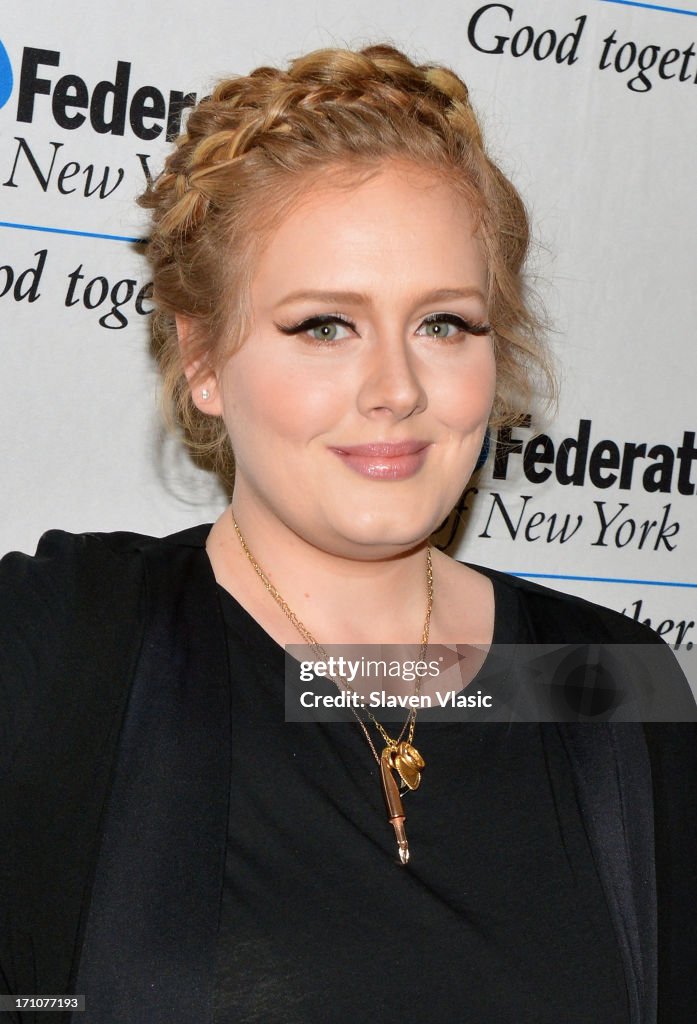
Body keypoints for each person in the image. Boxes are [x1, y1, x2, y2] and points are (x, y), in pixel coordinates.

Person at [1, 44, 695, 1024]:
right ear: (202, 357)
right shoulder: (64, 639)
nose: (396, 390)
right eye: (325, 324)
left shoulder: (610, 676)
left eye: (444, 323)